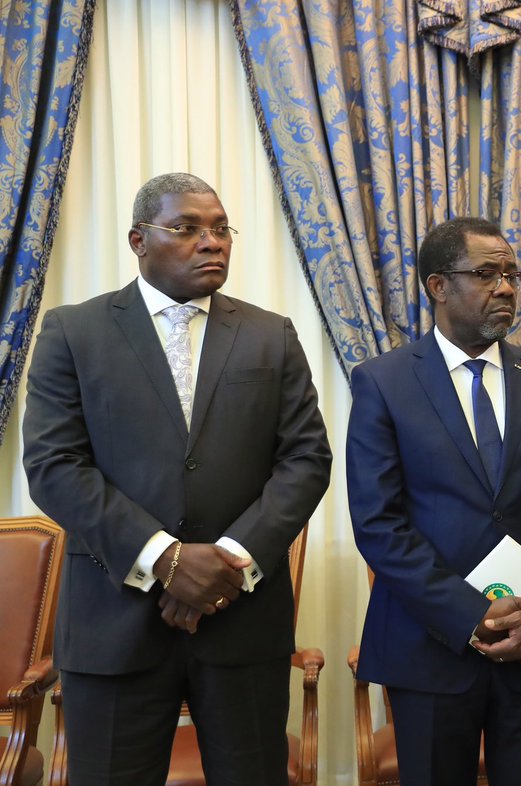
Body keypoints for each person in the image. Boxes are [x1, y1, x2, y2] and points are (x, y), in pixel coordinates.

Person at [22, 172, 332, 786]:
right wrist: (163, 559)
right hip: (113, 623)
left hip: (242, 620)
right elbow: (54, 466)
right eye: (187, 228)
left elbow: (306, 459)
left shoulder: (271, 334)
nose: (211, 242)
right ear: (139, 240)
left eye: (220, 229)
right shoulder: (73, 332)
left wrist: (228, 560)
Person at [346, 217, 521, 786]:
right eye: (487, 273)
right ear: (438, 286)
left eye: (512, 273)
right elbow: (378, 524)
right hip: (430, 651)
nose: (506, 286)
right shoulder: (383, 383)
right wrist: (469, 613)